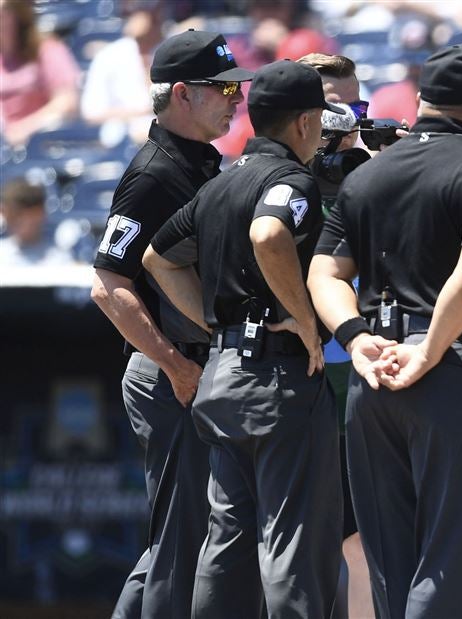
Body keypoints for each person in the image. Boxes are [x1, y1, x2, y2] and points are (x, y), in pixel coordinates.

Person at [306, 44, 462, 618]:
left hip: (372, 372)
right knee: (449, 558)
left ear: (423, 101)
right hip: (451, 366)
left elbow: (323, 273)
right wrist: (429, 347)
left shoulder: (370, 173)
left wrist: (353, 338)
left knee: (389, 564)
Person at [142, 59, 343, 618]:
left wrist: (215, 325)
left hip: (224, 375)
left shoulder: (222, 181)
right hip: (277, 380)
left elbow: (159, 259)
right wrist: (305, 321)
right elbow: (269, 231)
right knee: (292, 543)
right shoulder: (291, 179)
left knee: (227, 541)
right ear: (304, 123)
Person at [88, 29, 251, 619]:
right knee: (181, 542)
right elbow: (108, 287)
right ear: (183, 93)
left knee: (188, 538)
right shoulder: (153, 174)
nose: (237, 98)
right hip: (170, 371)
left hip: (192, 366)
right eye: (225, 87)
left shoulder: (203, 160)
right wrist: (176, 364)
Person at [295, 51, 374, 619]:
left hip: (357, 366)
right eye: (332, 113)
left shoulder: (376, 176)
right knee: (288, 534)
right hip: (289, 371)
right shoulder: (272, 179)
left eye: (356, 108)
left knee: (363, 535)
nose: (345, 124)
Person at [79, 0, 165, 142]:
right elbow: (91, 113)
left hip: (167, 140)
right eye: (136, 8)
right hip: (121, 142)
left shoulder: (175, 51)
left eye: (147, 7)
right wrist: (138, 112)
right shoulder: (109, 55)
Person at [0, 0, 80, 146]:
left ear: (19, 15)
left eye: (3, 14)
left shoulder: (48, 50)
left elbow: (66, 102)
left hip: (42, 142)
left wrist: (24, 128)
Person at [0, 178, 73, 267]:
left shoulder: (60, 259)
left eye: (17, 214)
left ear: (39, 213)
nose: (11, 220)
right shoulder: (2, 253)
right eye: (9, 215)